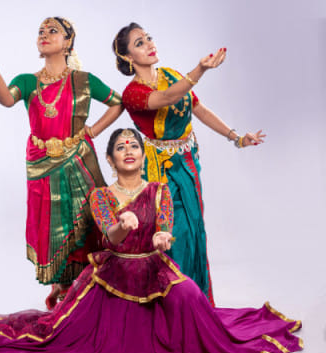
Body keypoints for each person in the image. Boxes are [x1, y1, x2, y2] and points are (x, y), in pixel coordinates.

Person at [0, 128, 302, 353]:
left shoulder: (159, 190)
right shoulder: (101, 196)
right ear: (110, 159)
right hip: (113, 272)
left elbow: (164, 228)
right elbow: (109, 237)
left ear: (142, 156)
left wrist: (162, 238)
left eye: (134, 146)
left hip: (154, 269)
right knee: (81, 340)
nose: (128, 150)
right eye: (120, 147)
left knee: (189, 294)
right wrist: (122, 226)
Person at [0, 17, 123, 309]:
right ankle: (62, 294)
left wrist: (93, 131)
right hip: (41, 166)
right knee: (53, 229)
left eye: (52, 31)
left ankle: (91, 294)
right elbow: (6, 100)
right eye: (40, 31)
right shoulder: (27, 81)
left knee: (88, 223)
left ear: (68, 42)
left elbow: (118, 102)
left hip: (79, 161)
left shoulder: (84, 80)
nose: (44, 35)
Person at [113, 23, 266, 306]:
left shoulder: (171, 75)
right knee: (172, 233)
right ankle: (170, 307)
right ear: (127, 57)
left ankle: (196, 303)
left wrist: (236, 137)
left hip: (187, 164)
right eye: (139, 43)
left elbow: (199, 110)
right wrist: (200, 70)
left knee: (194, 229)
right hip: (159, 172)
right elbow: (167, 98)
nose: (149, 44)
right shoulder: (132, 93)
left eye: (148, 37)